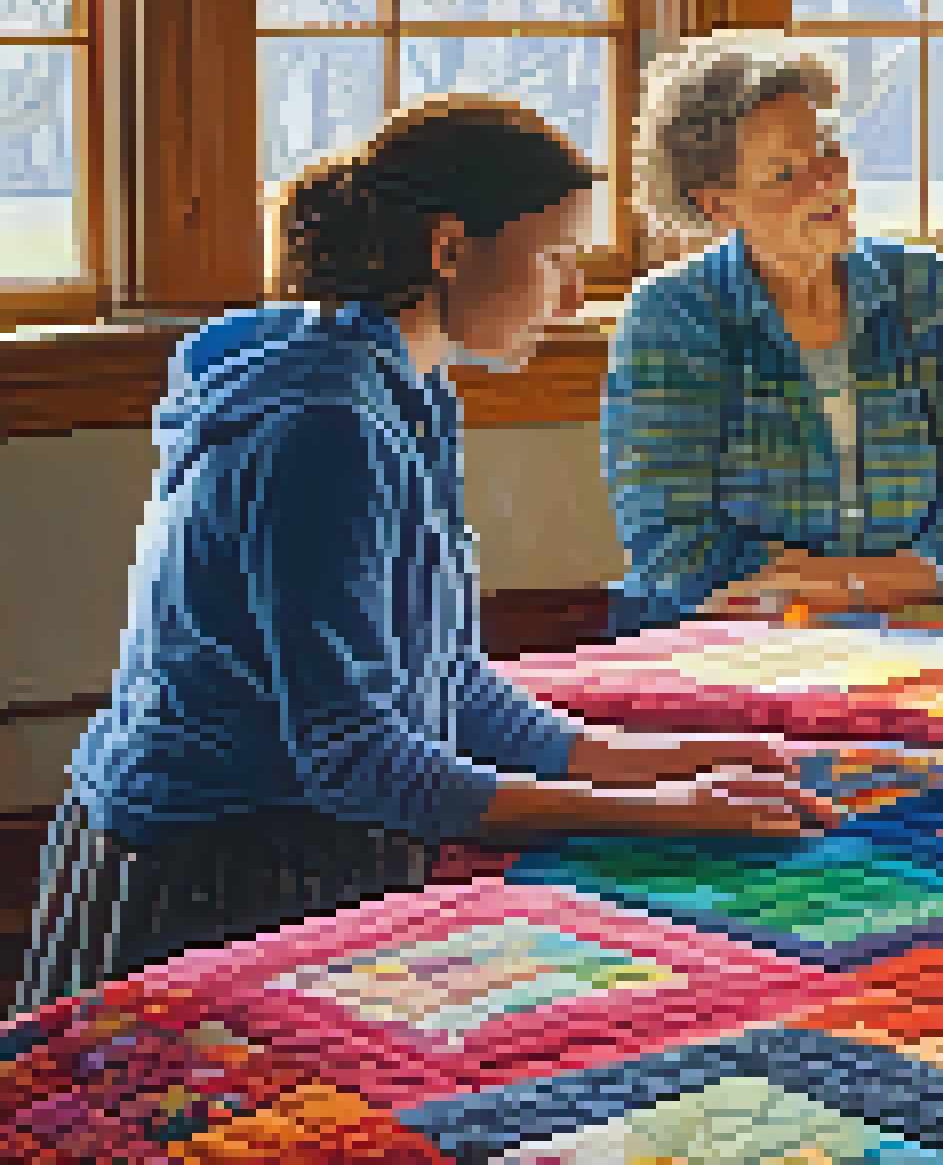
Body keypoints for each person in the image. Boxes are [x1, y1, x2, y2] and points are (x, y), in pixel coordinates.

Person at [16, 96, 840, 1019]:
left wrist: (670, 760)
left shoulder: (411, 387)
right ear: (449, 247)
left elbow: (447, 686)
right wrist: (663, 812)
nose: (572, 296)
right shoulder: (324, 424)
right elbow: (357, 758)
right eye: (554, 258)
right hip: (205, 878)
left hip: (289, 849)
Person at [610, 34, 943, 627]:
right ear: (719, 204)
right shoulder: (669, 317)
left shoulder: (923, 288)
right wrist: (884, 583)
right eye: (785, 173)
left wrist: (840, 587)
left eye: (828, 149)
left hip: (920, 632)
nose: (826, 181)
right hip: (730, 649)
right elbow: (677, 553)